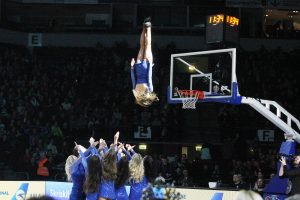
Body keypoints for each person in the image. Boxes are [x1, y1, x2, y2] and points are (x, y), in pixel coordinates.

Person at [130, 17, 158, 107]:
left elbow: (149, 77)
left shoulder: (149, 90)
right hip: (138, 69)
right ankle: (144, 27)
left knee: (147, 45)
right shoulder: (136, 93)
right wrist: (132, 67)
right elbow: (133, 79)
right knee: (142, 46)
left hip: (146, 68)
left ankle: (148, 26)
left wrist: (150, 65)